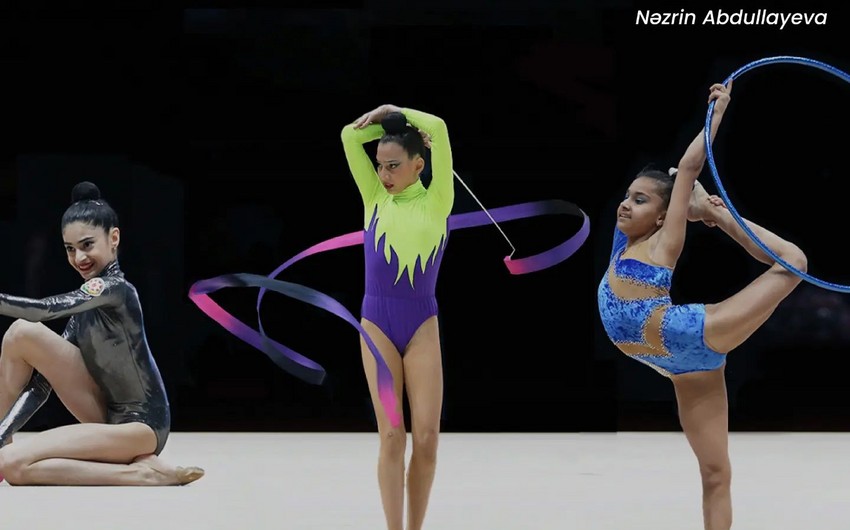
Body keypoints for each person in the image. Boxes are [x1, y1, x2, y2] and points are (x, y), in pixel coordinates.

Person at [597, 81, 806, 530]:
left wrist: (717, 110)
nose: (625, 205)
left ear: (663, 215)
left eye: (640, 200)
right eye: (627, 196)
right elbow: (670, 186)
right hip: (681, 368)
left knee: (794, 263)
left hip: (688, 332)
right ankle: (707, 212)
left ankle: (716, 214)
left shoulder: (664, 244)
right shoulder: (621, 241)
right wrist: (685, 201)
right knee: (715, 473)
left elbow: (689, 165)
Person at [0, 181, 204, 486]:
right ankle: (2, 444)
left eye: (87, 245)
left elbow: (45, 309)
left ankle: (141, 473)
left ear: (114, 238)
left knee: (12, 464)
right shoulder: (84, 309)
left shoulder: (116, 289)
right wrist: (3, 431)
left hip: (142, 427)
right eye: (70, 249)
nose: (79, 258)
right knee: (20, 334)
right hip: (106, 417)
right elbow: (41, 384)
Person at [342, 104, 452, 530]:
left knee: (426, 439)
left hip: (421, 324)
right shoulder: (374, 197)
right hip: (377, 326)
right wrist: (388, 125)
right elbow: (350, 136)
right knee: (391, 434)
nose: (384, 174)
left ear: (419, 165)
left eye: (393, 165)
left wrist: (397, 112)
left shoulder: (438, 200)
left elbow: (438, 126)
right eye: (380, 165)